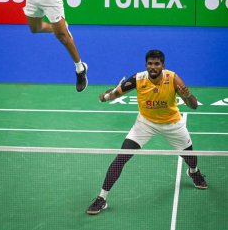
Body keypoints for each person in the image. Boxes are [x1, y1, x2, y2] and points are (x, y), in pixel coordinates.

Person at [87, 49, 208, 215]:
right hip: (145, 124)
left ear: (163, 65)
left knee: (191, 158)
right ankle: (102, 198)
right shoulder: (139, 78)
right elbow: (117, 92)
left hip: (172, 124)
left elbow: (193, 105)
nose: (153, 67)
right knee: (121, 157)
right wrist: (105, 97)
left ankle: (193, 172)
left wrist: (188, 97)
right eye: (150, 64)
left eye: (157, 64)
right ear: (146, 65)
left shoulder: (173, 79)